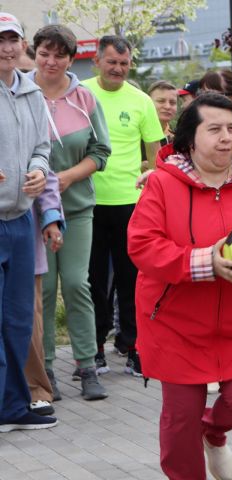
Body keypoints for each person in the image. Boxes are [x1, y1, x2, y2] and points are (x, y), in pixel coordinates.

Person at [127, 93, 232, 480]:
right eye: (215, 130)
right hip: (176, 326)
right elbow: (142, 246)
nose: (226, 138)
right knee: (179, 426)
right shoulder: (161, 184)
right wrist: (206, 262)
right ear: (190, 139)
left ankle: (215, 430)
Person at [29, 24, 111, 400]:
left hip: (77, 208)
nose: (51, 61)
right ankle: (45, 370)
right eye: (45, 52)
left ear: (71, 58)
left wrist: (66, 178)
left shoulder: (85, 97)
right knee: (42, 291)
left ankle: (87, 365)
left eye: (60, 54)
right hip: (30, 212)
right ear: (35, 54)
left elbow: (100, 152)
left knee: (77, 284)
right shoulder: (20, 93)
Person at [83, 35, 164, 377]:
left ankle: (133, 347)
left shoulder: (142, 100)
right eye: (111, 62)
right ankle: (95, 348)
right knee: (92, 280)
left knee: (133, 280)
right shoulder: (81, 93)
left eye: (124, 63)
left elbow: (156, 156)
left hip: (131, 205)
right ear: (97, 62)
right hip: (87, 202)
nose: (118, 69)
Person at [0, 11, 56, 432]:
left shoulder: (32, 93)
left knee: (20, 320)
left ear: (23, 45)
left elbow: (42, 146)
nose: (6, 48)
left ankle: (14, 406)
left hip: (20, 221)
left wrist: (37, 169)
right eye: (0, 40)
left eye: (12, 39)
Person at [25, 171, 64, 415]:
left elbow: (44, 173)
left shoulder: (30, 131)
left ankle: (36, 390)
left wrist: (50, 218)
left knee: (29, 320)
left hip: (22, 233)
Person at [148, 80, 178, 145]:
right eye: (161, 101)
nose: (168, 107)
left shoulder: (178, 138)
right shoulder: (135, 136)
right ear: (148, 102)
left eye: (172, 102)